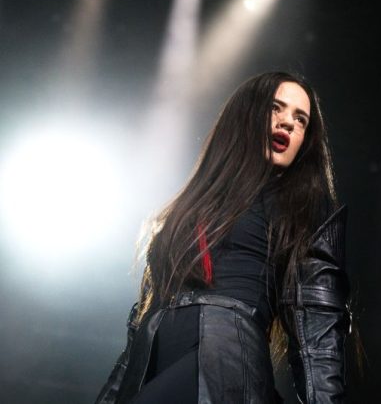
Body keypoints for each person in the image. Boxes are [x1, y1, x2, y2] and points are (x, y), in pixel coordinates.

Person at [95, 72, 351, 404]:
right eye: (276, 108)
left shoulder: (302, 210)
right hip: (156, 360)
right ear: (246, 114)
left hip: (227, 363)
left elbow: (319, 334)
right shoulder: (186, 210)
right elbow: (136, 339)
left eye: (300, 119)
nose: (288, 123)